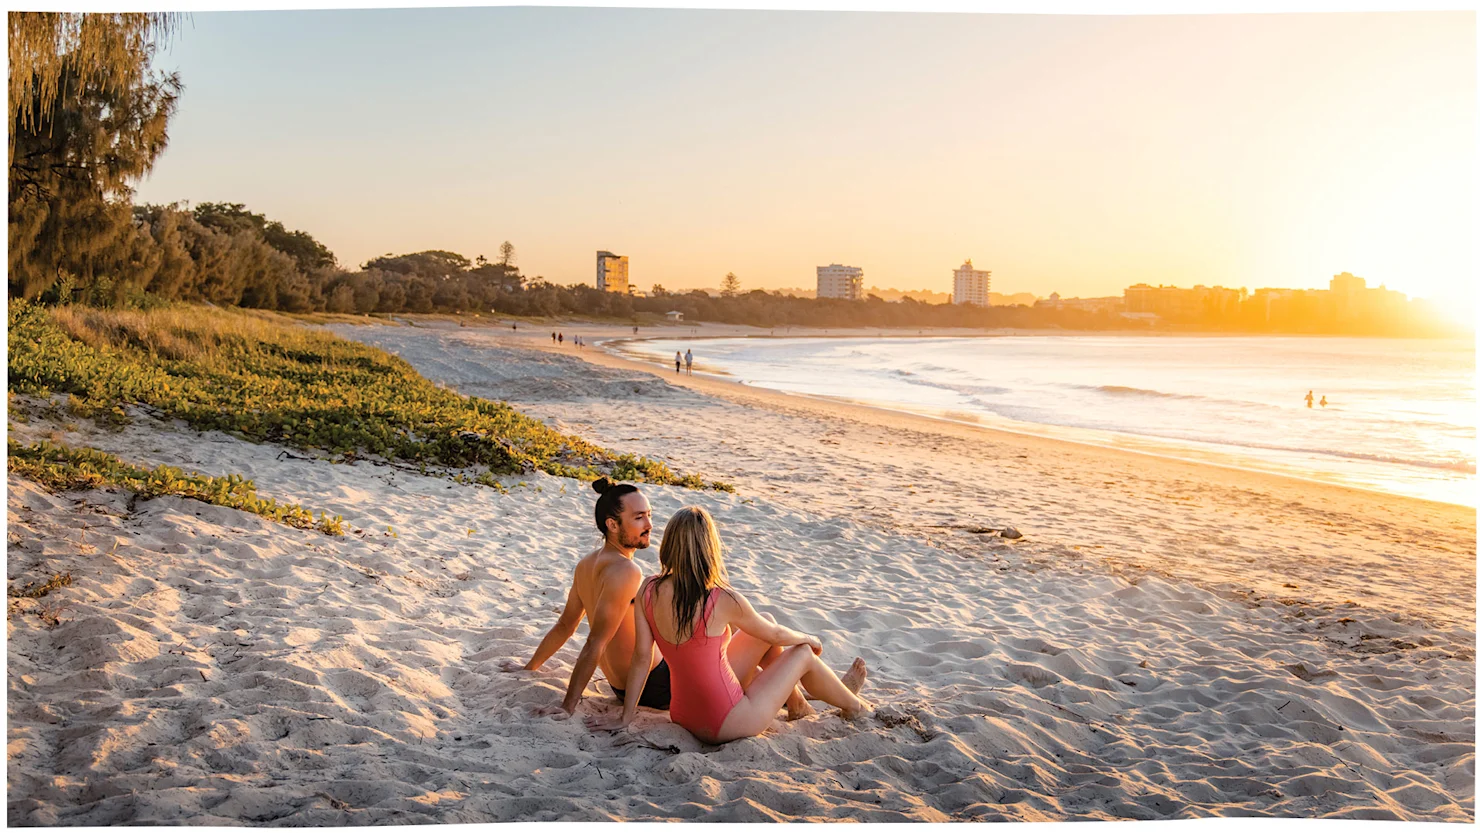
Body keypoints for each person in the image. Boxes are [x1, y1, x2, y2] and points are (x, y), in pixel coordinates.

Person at [504, 481, 810, 720]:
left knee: (745, 659)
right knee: (761, 634)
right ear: (613, 525)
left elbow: (564, 625)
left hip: (627, 686)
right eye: (638, 518)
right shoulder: (627, 571)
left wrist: (530, 667)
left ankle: (799, 701)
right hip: (654, 685)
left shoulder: (587, 563)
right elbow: (595, 642)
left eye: (650, 515)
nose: (650, 525)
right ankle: (800, 702)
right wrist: (568, 705)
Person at [588, 506, 869, 744]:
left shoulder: (649, 588)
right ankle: (854, 707)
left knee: (764, 624)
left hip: (683, 714)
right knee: (803, 653)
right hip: (727, 721)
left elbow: (641, 658)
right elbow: (777, 635)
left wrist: (626, 716)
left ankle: (798, 705)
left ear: (670, 545)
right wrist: (810, 638)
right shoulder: (721, 597)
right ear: (709, 548)